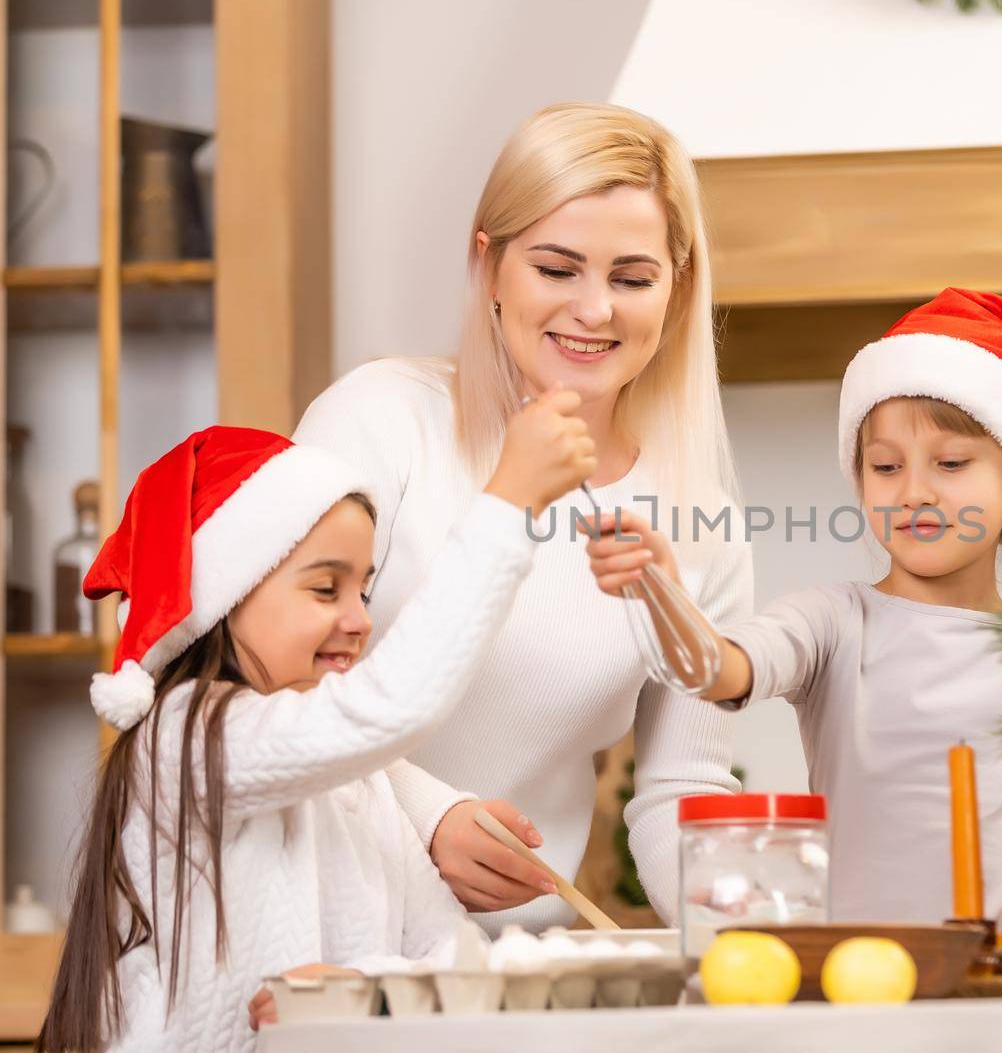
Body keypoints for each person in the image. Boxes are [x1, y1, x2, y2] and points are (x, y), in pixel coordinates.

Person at [293, 103, 750, 931]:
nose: (595, 309)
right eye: (557, 268)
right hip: (328, 929)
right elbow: (267, 685)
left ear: (676, 291)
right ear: (491, 266)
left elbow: (681, 787)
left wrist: (751, 945)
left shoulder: (701, 522)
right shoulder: (379, 422)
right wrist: (429, 814)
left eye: (633, 278)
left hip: (512, 965)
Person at [37, 403, 592, 1052]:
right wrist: (509, 503)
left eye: (364, 589)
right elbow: (390, 708)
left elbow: (449, 954)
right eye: (327, 589)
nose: (359, 617)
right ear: (229, 594)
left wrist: (365, 995)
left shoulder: (361, 787)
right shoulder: (186, 737)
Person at [588, 288, 1002, 922]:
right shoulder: (832, 623)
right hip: (858, 987)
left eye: (951, 463)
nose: (914, 492)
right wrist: (665, 597)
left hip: (1001, 989)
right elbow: (720, 673)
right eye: (885, 467)